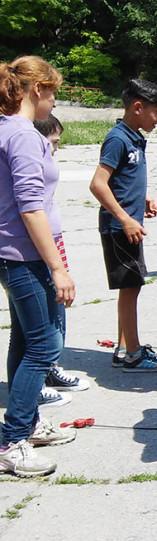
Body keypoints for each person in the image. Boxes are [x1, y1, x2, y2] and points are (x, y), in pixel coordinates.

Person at [0, 55, 76, 478]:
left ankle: (25, 425)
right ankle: (12, 442)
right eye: (52, 92)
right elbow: (31, 208)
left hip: (12, 253)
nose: (53, 101)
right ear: (36, 90)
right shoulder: (25, 136)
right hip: (24, 256)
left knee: (24, 342)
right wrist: (58, 268)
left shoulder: (5, 128)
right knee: (45, 347)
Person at [88, 79, 157, 372]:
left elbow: (121, 177)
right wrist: (124, 218)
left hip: (129, 225)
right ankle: (134, 354)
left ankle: (124, 348)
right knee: (131, 287)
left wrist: (144, 196)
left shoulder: (134, 137)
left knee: (130, 288)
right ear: (138, 107)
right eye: (156, 112)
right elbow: (98, 184)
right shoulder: (118, 138)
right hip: (119, 227)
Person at [33, 113, 90, 405]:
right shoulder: (28, 158)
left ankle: (50, 367)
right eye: (54, 142)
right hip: (38, 250)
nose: (55, 148)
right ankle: (35, 381)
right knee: (37, 320)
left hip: (54, 242)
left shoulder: (42, 160)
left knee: (57, 306)